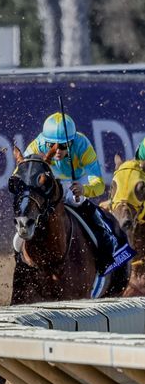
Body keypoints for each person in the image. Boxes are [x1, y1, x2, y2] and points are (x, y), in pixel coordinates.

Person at [25, 112, 131, 278]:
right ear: (44, 141)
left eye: (63, 146)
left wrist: (84, 189)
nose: (58, 151)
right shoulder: (35, 147)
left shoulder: (82, 145)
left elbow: (100, 185)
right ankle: (20, 259)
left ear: (72, 142)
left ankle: (107, 251)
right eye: (52, 145)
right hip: (49, 184)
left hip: (76, 181)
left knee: (82, 203)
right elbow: (25, 181)